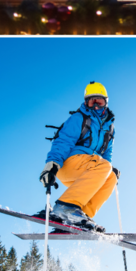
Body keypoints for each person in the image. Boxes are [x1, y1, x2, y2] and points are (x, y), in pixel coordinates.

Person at [37, 81, 120, 232]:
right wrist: (52, 164)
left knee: (111, 177)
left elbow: (107, 154)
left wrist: (108, 171)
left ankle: (80, 216)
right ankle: (65, 207)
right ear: (86, 102)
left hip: (90, 168)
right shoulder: (80, 118)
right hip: (69, 164)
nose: (95, 106)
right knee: (104, 166)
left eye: (99, 102)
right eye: (91, 102)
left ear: (105, 103)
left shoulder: (110, 128)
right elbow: (63, 140)